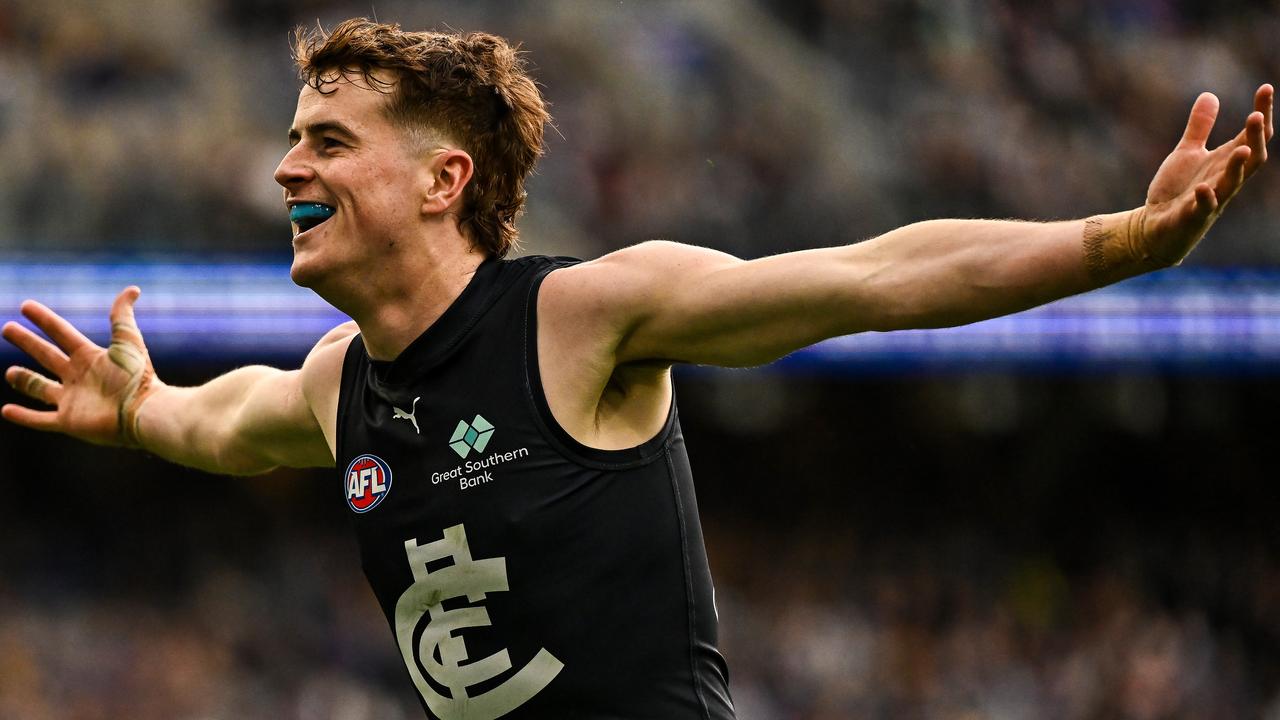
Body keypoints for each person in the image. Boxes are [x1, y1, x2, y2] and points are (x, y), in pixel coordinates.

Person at [1, 17, 1272, 720]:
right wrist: (145, 408)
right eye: (291, 140)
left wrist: (1117, 242)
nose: (286, 171)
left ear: (445, 181)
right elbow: (230, 423)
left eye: (327, 142)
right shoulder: (342, 383)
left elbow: (878, 275)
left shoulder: (587, 317)